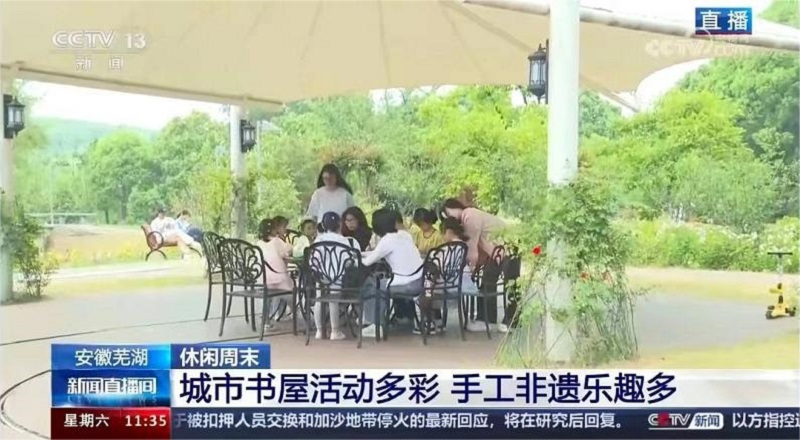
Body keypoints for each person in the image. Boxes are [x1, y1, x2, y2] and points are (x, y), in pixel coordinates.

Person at [443, 199, 507, 333]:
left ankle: (490, 320)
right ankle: (488, 319)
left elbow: (472, 249)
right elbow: (480, 244)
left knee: (490, 283)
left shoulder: (469, 216)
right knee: (488, 283)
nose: (450, 217)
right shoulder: (471, 215)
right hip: (499, 251)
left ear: (454, 207)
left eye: (449, 213)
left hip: (505, 250)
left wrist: (470, 270)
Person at [361, 209, 429, 336]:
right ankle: (392, 317)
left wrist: (354, 258)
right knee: (381, 283)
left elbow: (367, 262)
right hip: (420, 281)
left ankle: (375, 324)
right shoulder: (405, 235)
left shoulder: (386, 240)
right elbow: (378, 253)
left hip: (406, 284)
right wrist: (364, 254)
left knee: (372, 284)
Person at [311, 212, 356, 341]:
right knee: (333, 301)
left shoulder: (318, 240)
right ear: (339, 224)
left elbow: (313, 260)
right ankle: (335, 331)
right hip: (337, 277)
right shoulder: (343, 240)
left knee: (319, 299)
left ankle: (319, 331)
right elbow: (348, 261)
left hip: (321, 277)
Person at [306, 164, 356, 228]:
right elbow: (312, 216)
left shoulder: (346, 194)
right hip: (323, 231)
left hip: (341, 230)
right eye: (325, 179)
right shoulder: (317, 194)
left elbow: (353, 214)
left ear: (336, 178)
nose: (328, 181)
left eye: (331, 178)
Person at [441, 218, 479, 296]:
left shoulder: (450, 247)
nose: (442, 237)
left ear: (448, 232)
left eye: (443, 233)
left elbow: (445, 264)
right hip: (464, 277)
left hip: (453, 280)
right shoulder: (463, 244)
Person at [255, 216, 294, 293]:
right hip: (279, 277)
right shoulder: (276, 241)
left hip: (263, 279)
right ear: (273, 230)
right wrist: (291, 246)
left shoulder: (258, 243)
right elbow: (287, 250)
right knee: (291, 290)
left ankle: (271, 300)